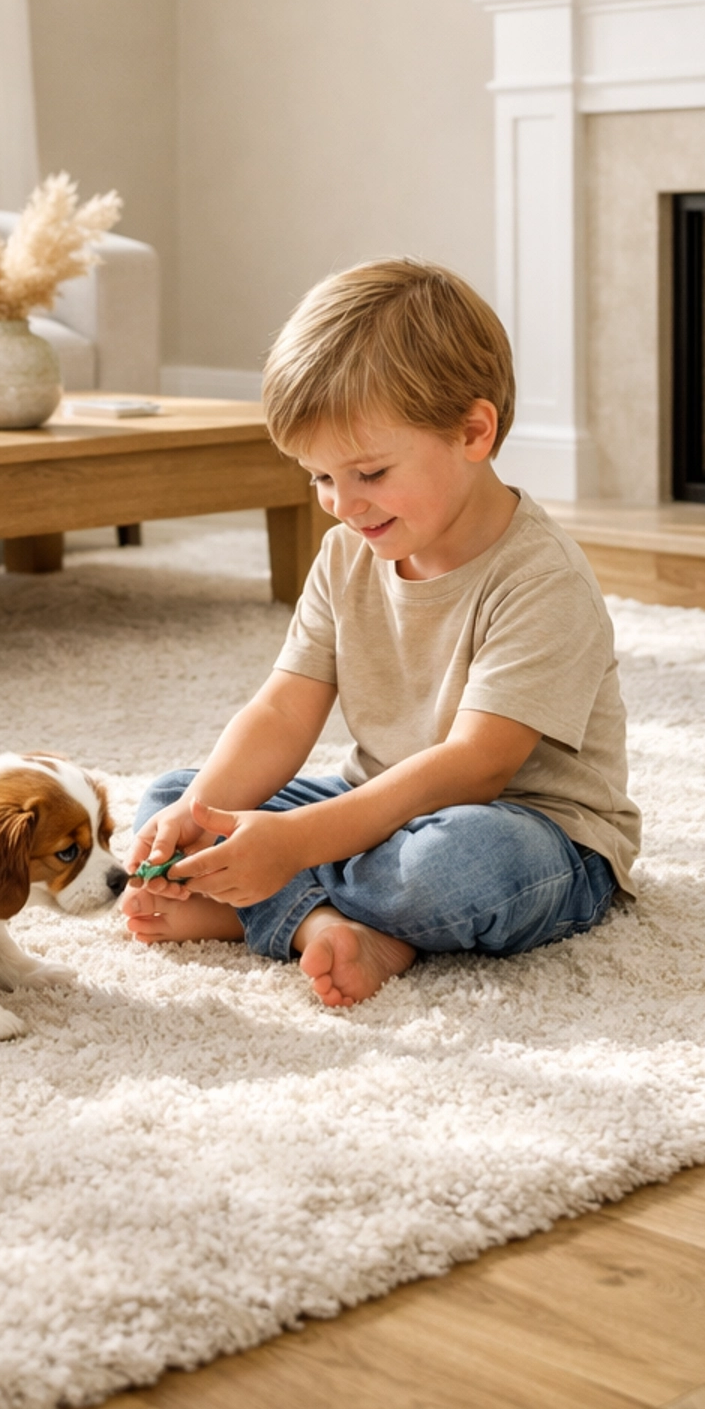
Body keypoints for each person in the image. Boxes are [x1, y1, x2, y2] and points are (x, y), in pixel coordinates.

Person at [122, 259, 639, 1008]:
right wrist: (198, 815)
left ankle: (263, 906)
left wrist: (294, 844)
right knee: (173, 798)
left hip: (535, 833)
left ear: (473, 430)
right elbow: (283, 708)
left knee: (454, 871)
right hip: (373, 805)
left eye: (367, 472)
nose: (341, 504)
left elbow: (474, 768)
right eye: (320, 478)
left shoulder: (541, 577)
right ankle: (325, 923)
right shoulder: (346, 554)